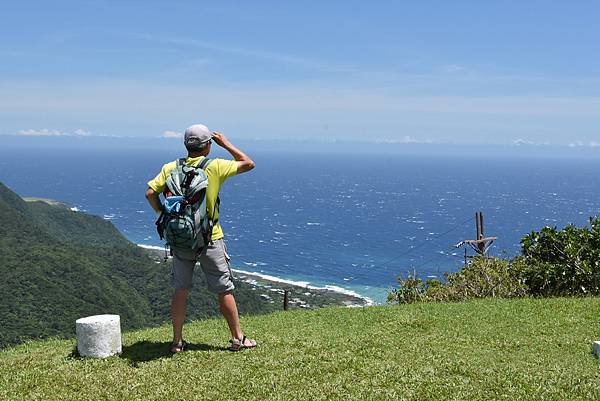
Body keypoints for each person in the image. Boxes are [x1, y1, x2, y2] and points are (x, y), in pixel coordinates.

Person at [145, 123, 257, 353]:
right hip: (210, 237)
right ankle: (238, 338)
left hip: (180, 237)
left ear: (186, 144)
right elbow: (248, 163)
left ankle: (177, 342)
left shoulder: (170, 167)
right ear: (208, 145)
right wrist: (225, 143)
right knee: (223, 289)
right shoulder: (214, 166)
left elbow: (150, 192)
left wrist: (163, 214)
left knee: (180, 290)